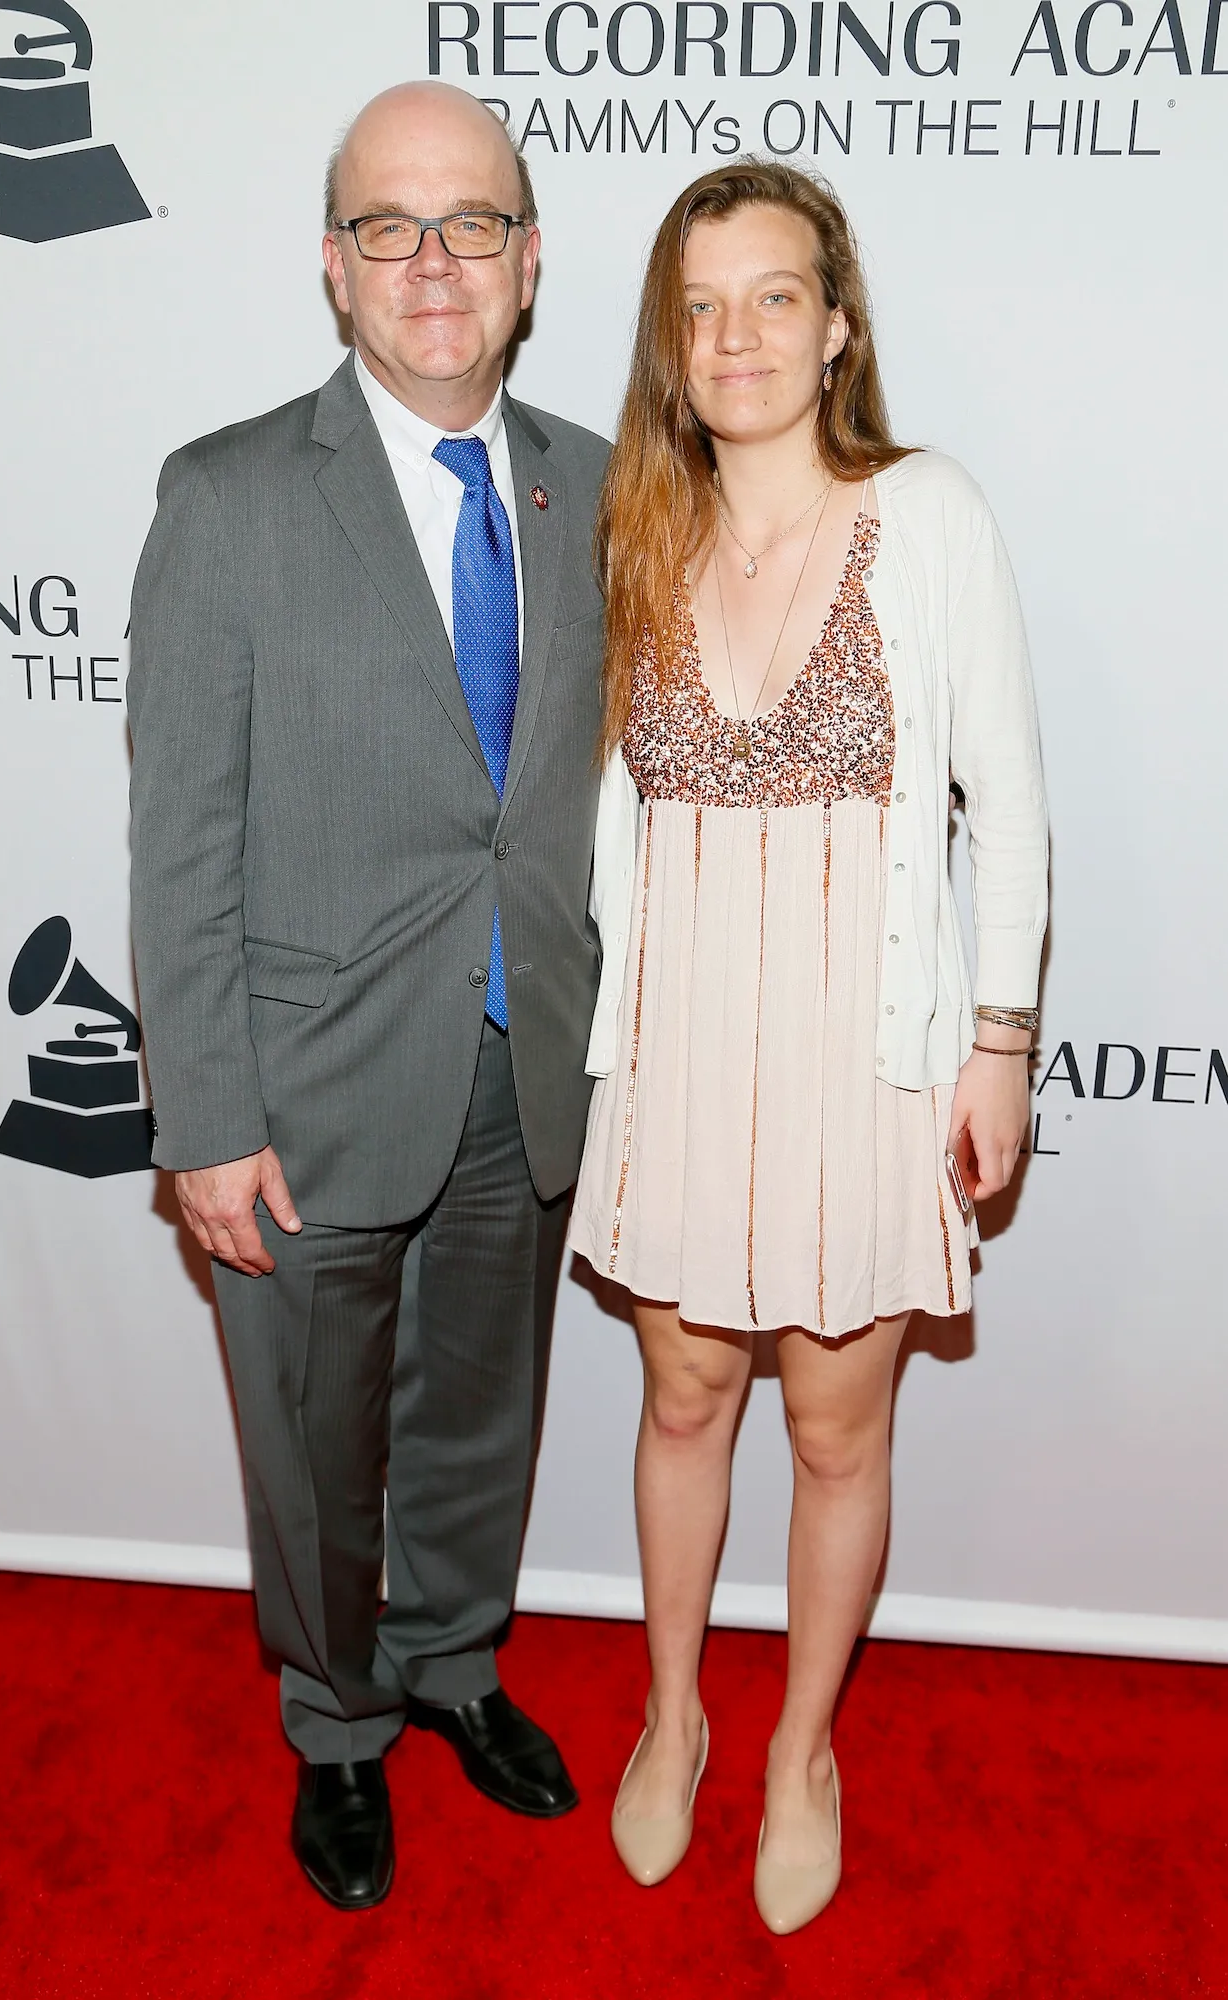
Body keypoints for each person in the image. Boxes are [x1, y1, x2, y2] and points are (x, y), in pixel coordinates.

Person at [127, 82, 609, 1912]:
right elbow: (181, 839)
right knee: (318, 1445)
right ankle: (337, 1723)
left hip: (524, 1066)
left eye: (472, 223)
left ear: (530, 260)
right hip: (308, 1088)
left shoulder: (595, 488)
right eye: (390, 227)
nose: (434, 262)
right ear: (333, 266)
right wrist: (208, 1122)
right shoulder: (232, 494)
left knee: (482, 1413)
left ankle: (457, 1664)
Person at [570, 160, 1048, 1935]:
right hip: (685, 1048)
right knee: (683, 1396)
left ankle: (802, 1752)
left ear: (837, 325)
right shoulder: (635, 525)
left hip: (865, 1060)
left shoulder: (928, 513)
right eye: (701, 307)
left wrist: (996, 1037)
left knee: (840, 1441)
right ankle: (676, 1715)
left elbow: (1009, 797)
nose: (736, 336)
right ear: (668, 346)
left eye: (774, 296)